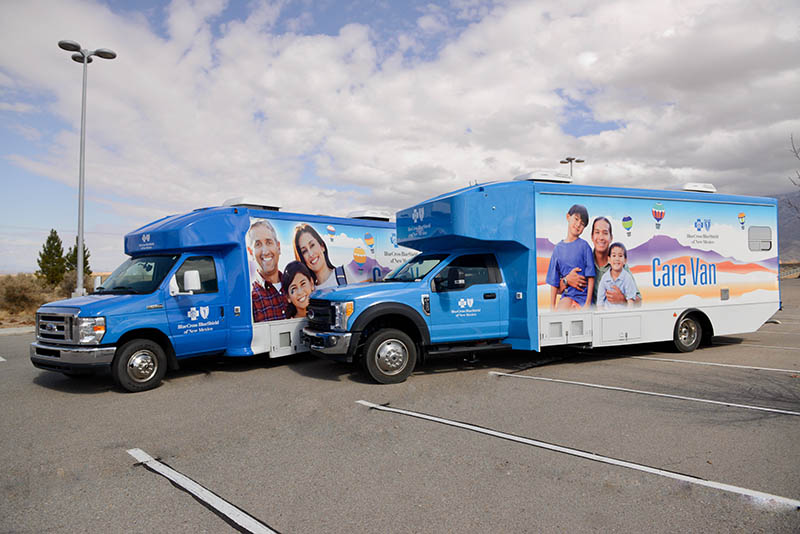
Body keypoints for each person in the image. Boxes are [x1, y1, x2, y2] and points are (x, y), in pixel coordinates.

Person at [561, 216, 641, 306]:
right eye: (597, 232)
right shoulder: (582, 261)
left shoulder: (619, 265)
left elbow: (639, 301)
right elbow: (558, 289)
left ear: (611, 238)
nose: (601, 237)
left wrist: (623, 299)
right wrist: (566, 280)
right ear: (592, 237)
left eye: (605, 233)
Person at [546, 204, 595, 310]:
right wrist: (552, 306)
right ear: (568, 217)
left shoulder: (584, 246)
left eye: (582, 224)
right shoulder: (558, 249)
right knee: (561, 316)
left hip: (583, 298)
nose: (578, 225)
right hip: (568, 296)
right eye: (576, 219)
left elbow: (591, 277)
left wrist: (587, 303)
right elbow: (554, 282)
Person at [248, 220, 287, 322]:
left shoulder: (293, 286)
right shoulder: (250, 298)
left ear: (278, 247)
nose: (265, 251)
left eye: (269, 242)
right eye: (258, 244)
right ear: (250, 252)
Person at [293, 224, 347, 289]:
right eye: (304, 251)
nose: (310, 254)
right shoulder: (308, 291)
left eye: (312, 245)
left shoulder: (346, 273)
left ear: (322, 246)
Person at [597, 243, 637, 308]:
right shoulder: (605, 278)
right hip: (607, 315)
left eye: (620, 256)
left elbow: (631, 301)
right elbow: (600, 302)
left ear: (625, 260)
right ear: (609, 259)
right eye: (614, 255)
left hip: (622, 315)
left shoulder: (627, 278)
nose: (617, 259)